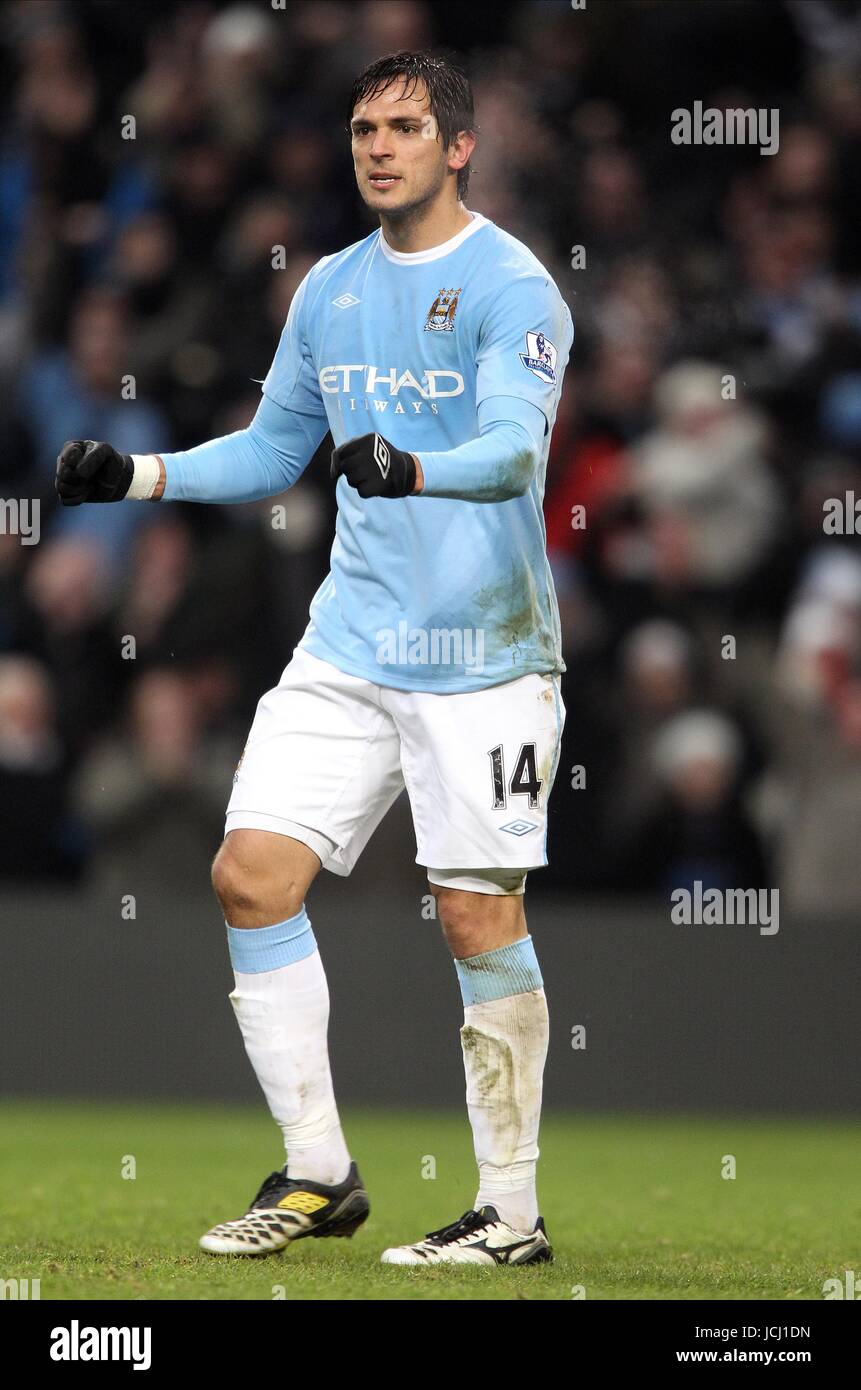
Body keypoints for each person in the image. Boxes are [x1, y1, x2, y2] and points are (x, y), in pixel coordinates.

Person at [55, 49, 573, 1268]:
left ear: (459, 147)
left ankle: (509, 1212)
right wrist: (139, 475)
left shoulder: (514, 285)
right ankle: (319, 1173)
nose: (377, 147)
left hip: (489, 655)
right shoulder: (331, 290)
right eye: (360, 128)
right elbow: (274, 447)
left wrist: (410, 464)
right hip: (350, 644)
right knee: (249, 875)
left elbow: (513, 452)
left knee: (476, 914)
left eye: (403, 126)